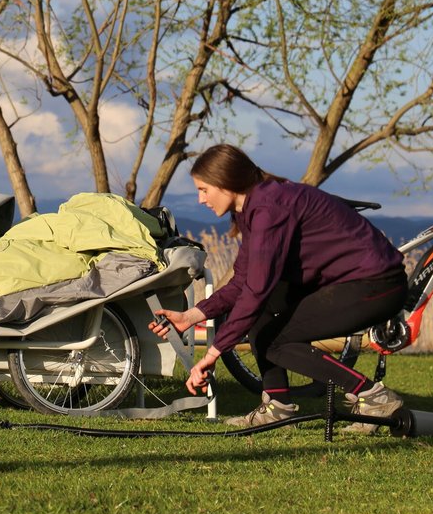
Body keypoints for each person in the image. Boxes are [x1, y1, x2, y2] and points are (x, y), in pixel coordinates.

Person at [151, 144, 408, 432]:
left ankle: (372, 396)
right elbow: (243, 283)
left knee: (276, 340)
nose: (200, 199)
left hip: (376, 285)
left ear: (225, 183)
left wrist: (213, 352)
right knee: (263, 313)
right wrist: (191, 316)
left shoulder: (269, 208)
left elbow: (256, 290)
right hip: (351, 283)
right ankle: (278, 407)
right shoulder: (254, 207)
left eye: (204, 189)